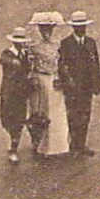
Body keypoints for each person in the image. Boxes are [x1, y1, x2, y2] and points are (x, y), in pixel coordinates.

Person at [57, 11, 100, 156]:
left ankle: (81, 144)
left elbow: (96, 63)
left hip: (87, 86)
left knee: (85, 114)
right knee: (73, 115)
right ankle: (74, 144)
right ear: (73, 28)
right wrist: (67, 80)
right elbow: (61, 64)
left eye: (83, 26)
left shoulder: (91, 43)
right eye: (78, 26)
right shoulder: (65, 44)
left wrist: (98, 83)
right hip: (72, 86)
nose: (81, 29)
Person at [26, 13, 71, 158]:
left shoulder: (57, 45)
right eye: (43, 29)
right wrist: (32, 78)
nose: (46, 32)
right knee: (40, 111)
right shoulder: (33, 46)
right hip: (40, 79)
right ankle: (40, 145)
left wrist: (59, 77)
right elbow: (29, 65)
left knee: (57, 112)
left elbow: (61, 63)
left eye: (49, 29)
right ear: (39, 29)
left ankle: (59, 146)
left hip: (54, 80)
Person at [0, 28, 34, 161]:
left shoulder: (25, 54)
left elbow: (28, 70)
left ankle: (14, 147)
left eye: (22, 42)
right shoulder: (8, 53)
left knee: (19, 120)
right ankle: (13, 138)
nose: (20, 44)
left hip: (21, 93)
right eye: (18, 42)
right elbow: (3, 60)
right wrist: (14, 63)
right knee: (7, 118)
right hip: (9, 92)